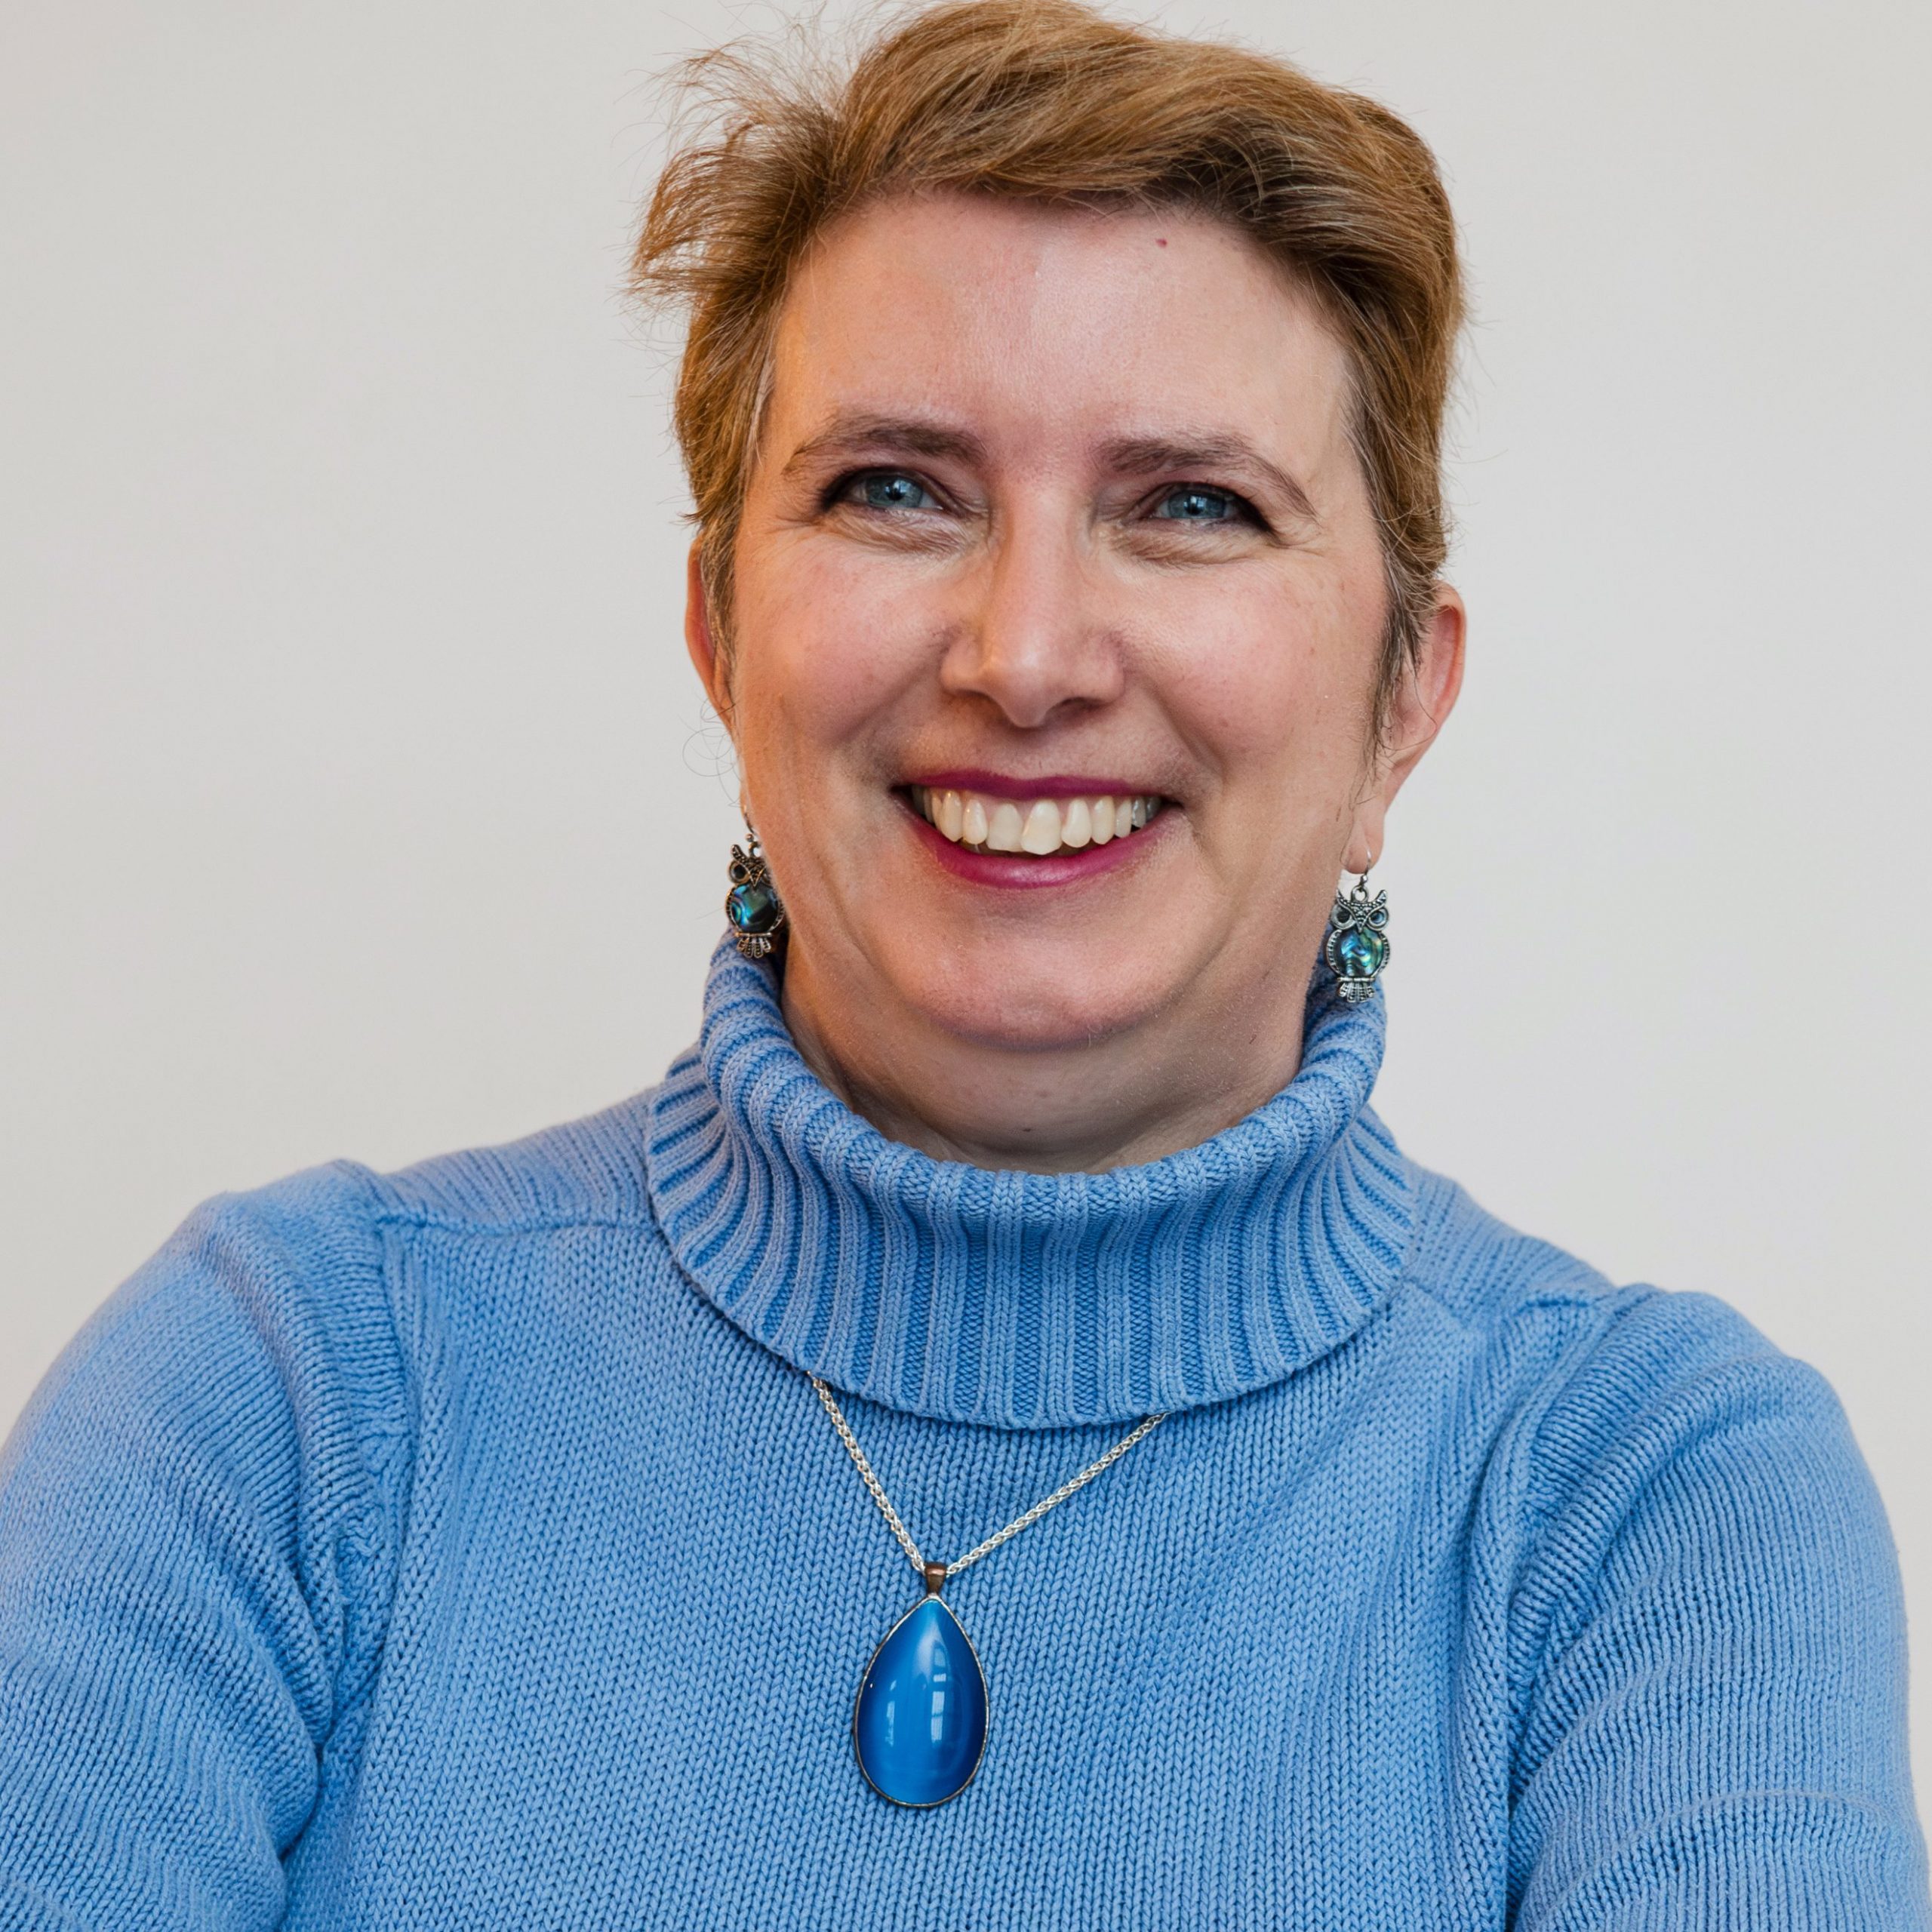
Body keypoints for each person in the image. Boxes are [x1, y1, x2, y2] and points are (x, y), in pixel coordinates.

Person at [1, 2, 1925, 1924]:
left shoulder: (1645, 1503)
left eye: (1189, 505)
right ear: (718, 634)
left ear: (1397, 697)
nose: (1025, 653)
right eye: (894, 489)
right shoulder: (284, 1399)